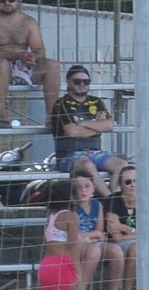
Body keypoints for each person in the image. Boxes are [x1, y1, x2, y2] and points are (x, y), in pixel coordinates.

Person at [0, 0, 61, 127]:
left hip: (23, 67)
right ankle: (2, 116)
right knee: (1, 63)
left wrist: (34, 57)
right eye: (2, 0)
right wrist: (19, 54)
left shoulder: (29, 22)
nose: (7, 3)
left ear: (18, 0)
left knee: (52, 65)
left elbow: (39, 49)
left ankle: (52, 117)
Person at [49, 65, 128, 198]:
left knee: (122, 164)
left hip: (96, 152)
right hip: (69, 155)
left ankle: (114, 199)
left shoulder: (96, 102)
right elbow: (72, 132)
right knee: (87, 165)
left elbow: (109, 126)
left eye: (86, 81)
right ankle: (110, 201)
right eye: (77, 81)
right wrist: (96, 126)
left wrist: (83, 124)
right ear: (68, 82)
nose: (82, 84)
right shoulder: (61, 104)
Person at [38, 179, 93, 290]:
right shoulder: (71, 216)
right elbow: (72, 246)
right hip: (62, 265)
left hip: (47, 265)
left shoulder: (51, 217)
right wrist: (77, 272)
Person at [70, 170, 123, 290]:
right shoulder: (70, 207)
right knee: (94, 251)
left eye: (87, 186)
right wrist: (92, 237)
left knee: (116, 251)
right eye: (78, 187)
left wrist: (89, 238)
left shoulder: (97, 204)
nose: (83, 190)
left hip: (92, 242)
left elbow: (100, 231)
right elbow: (72, 235)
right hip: (73, 245)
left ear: (93, 188)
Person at [104, 164, 139, 290]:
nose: (133, 185)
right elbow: (116, 237)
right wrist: (139, 233)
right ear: (120, 184)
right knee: (134, 249)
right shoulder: (113, 200)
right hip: (118, 245)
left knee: (135, 248)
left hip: (142, 244)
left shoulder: (147, 201)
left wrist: (125, 228)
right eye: (128, 182)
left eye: (136, 181)